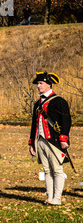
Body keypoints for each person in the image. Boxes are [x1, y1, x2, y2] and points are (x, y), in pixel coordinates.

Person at [28, 72, 71, 206]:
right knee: (47, 171)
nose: (38, 86)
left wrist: (64, 138)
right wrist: (32, 143)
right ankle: (49, 197)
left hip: (55, 141)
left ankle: (56, 199)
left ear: (49, 84)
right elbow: (34, 124)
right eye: (38, 84)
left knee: (57, 170)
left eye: (41, 84)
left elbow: (66, 121)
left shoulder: (59, 101)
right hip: (41, 140)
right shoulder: (37, 104)